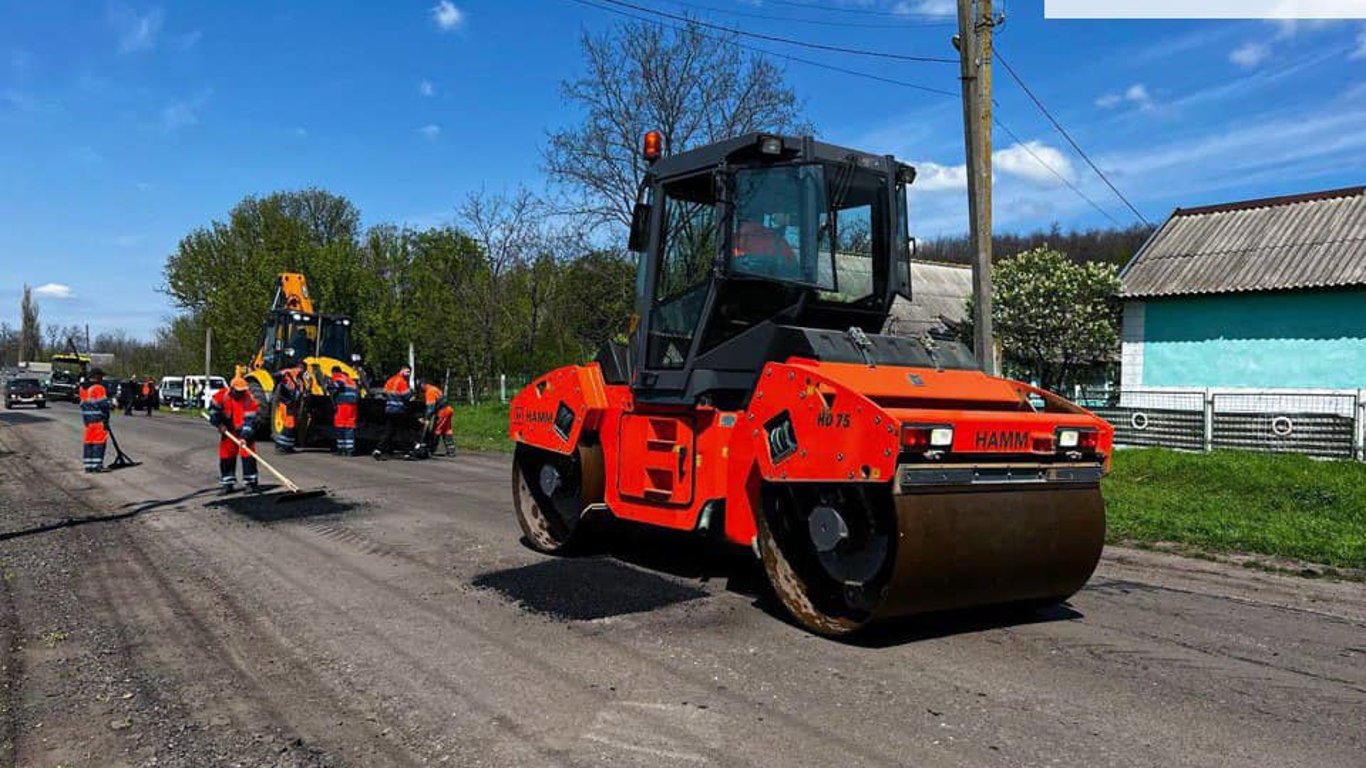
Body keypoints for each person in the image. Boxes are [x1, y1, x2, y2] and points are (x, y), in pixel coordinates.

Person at [209, 375, 259, 493]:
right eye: (238, 391)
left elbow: (251, 420)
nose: (241, 393)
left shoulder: (249, 399)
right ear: (232, 389)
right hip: (229, 430)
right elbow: (213, 412)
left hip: (245, 430)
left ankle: (250, 483)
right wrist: (219, 424)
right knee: (226, 456)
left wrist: (245, 437)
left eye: (243, 391)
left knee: (248, 456)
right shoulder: (221, 396)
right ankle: (227, 483)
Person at [373, 365, 411, 460]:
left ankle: (378, 450)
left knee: (388, 431)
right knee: (403, 432)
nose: (408, 374)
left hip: (389, 409)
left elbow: (384, 393)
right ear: (401, 371)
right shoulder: (402, 382)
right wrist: (411, 392)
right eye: (407, 372)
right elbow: (406, 396)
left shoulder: (390, 380)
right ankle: (407, 453)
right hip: (399, 410)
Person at [79, 368, 112, 473]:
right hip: (98, 419)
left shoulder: (83, 388)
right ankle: (97, 465)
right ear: (97, 377)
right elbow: (103, 404)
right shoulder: (98, 388)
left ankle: (88, 466)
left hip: (87, 420)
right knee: (99, 443)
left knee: (89, 442)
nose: (102, 378)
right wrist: (112, 403)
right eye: (101, 376)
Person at [328, 366, 358, 457]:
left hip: (343, 404)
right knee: (349, 426)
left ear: (334, 372)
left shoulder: (337, 377)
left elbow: (335, 386)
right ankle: (349, 449)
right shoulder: (350, 380)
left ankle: (341, 448)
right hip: (353, 404)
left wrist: (329, 386)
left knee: (340, 425)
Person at [273, 367, 303, 453]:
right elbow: (275, 376)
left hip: (291, 405)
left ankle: (288, 446)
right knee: (289, 425)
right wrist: (284, 372)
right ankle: (280, 445)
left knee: (291, 425)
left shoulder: (297, 381)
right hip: (287, 405)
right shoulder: (286, 379)